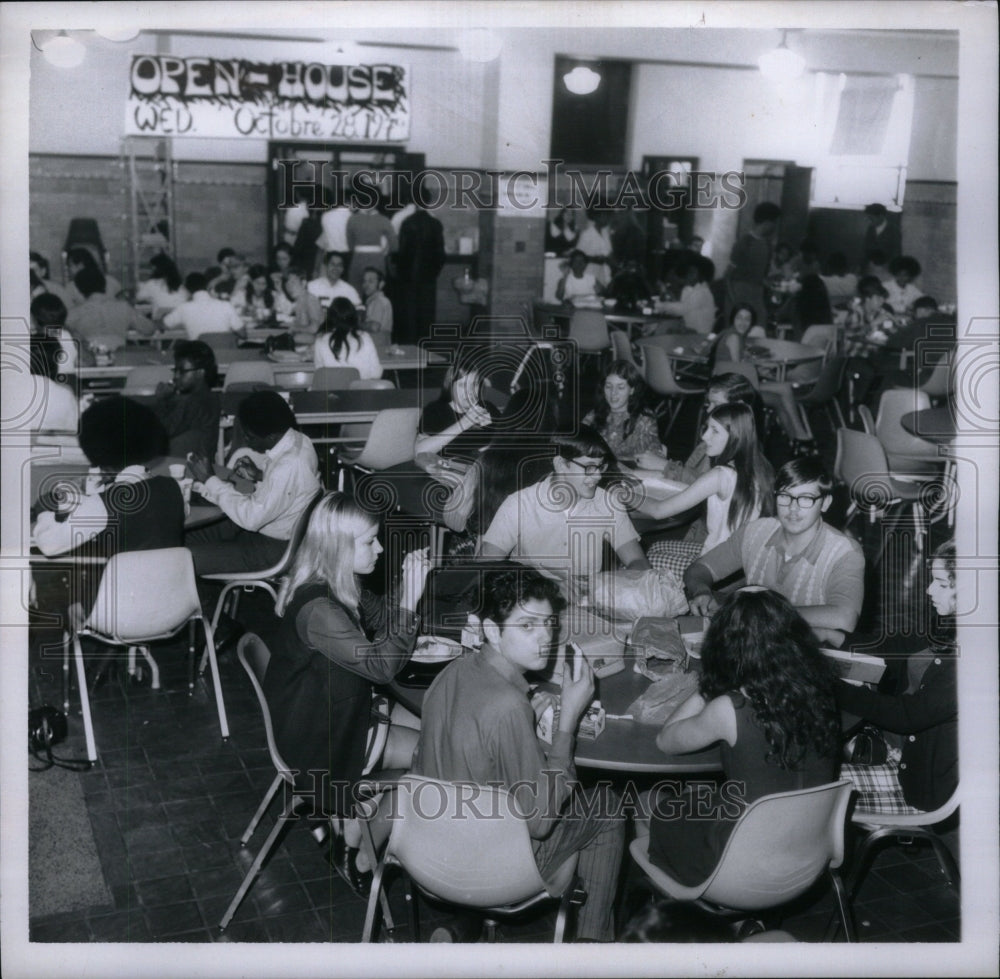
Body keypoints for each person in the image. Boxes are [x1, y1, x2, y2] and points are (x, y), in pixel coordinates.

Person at [410, 565, 625, 942]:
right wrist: (567, 723)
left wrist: (526, 707)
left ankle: (467, 922)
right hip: (493, 865)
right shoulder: (509, 707)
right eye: (527, 626)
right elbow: (540, 822)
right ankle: (592, 952)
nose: (545, 637)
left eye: (548, 622)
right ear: (492, 631)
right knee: (607, 805)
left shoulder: (451, 672)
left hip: (430, 847)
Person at [263, 492, 431, 894]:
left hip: (330, 709)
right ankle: (361, 851)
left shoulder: (338, 582)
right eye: (369, 541)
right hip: (321, 734)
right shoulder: (319, 610)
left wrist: (407, 597)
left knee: (435, 724)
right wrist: (410, 599)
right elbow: (379, 665)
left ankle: (351, 820)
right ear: (339, 548)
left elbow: (382, 621)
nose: (380, 547)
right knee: (438, 759)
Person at [642, 588, 840, 887]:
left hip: (736, 866)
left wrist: (709, 683)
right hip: (808, 854)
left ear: (726, 645)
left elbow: (665, 741)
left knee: (647, 800)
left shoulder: (730, 708)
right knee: (704, 797)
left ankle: (672, 911)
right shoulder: (822, 691)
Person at [684, 457, 864, 647]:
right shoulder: (755, 532)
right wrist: (701, 591)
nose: (793, 508)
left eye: (805, 499)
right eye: (785, 496)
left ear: (825, 503)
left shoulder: (845, 551)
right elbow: (699, 568)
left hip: (806, 652)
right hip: (753, 644)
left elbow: (845, 617)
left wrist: (759, 614)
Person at [838, 540, 957, 815]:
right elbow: (895, 647)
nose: (929, 590)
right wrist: (834, 637)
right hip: (900, 750)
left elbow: (907, 716)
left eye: (940, 583)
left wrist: (835, 688)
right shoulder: (950, 631)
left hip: (918, 783)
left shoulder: (972, 663)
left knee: (814, 783)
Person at [33, 397, 183, 611]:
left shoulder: (103, 504)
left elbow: (48, 545)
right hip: (172, 604)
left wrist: (45, 511)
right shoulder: (171, 487)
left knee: (47, 573)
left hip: (118, 610)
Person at [480, 428, 651, 591]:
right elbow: (483, 567)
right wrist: (549, 585)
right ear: (561, 464)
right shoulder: (519, 504)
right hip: (532, 608)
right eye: (589, 468)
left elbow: (639, 563)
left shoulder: (608, 503)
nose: (598, 476)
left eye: (601, 467)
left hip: (588, 607)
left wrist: (605, 582)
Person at [186, 390, 321, 574]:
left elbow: (251, 519)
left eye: (249, 436)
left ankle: (208, 599)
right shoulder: (300, 441)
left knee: (184, 559)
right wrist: (260, 475)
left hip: (271, 548)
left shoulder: (288, 465)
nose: (246, 441)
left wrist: (209, 479)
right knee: (187, 536)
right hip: (272, 531)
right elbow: (294, 485)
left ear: (272, 436)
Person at [644, 402, 775, 577]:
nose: (705, 436)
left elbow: (659, 511)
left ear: (735, 436)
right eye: (707, 428)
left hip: (719, 567)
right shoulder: (761, 467)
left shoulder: (720, 475)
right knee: (656, 546)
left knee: (649, 558)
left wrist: (622, 494)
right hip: (743, 563)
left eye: (714, 430)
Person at [712, 303, 814, 446]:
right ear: (733, 318)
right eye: (739, 318)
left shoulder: (734, 335)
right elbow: (738, 367)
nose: (743, 322)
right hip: (733, 387)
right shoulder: (734, 337)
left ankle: (796, 440)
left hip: (736, 384)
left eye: (747, 319)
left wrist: (760, 370)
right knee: (784, 390)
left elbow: (742, 365)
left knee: (781, 396)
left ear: (751, 322)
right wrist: (759, 370)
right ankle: (801, 437)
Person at [415, 357, 498, 462]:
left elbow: (506, 440)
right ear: (450, 386)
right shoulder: (435, 411)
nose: (469, 392)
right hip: (446, 471)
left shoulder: (489, 408)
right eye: (462, 385)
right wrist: (464, 423)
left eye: (474, 384)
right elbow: (419, 452)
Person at [150, 340, 222, 460]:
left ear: (200, 372)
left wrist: (161, 400)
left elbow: (158, 431)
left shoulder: (191, 402)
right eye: (175, 370)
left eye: (182, 371)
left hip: (180, 468)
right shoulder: (210, 397)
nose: (176, 376)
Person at [583, 360, 663, 461]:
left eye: (620, 387)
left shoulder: (644, 419)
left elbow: (655, 459)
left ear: (632, 390)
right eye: (608, 386)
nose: (613, 393)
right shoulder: (595, 414)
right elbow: (579, 445)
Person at [392, 204, 445, 346]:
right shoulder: (435, 223)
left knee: (409, 315)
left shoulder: (407, 222)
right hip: (428, 276)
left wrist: (399, 273)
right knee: (426, 315)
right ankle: (426, 348)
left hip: (408, 276)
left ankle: (409, 348)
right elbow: (440, 254)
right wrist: (434, 273)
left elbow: (401, 252)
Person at [66, 266, 155, 349]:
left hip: (89, 359)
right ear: (104, 285)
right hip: (120, 358)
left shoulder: (74, 313)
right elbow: (149, 329)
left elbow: (61, 334)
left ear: (79, 289)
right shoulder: (123, 307)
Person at [723, 201, 781, 326]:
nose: (776, 227)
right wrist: (734, 301)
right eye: (775, 223)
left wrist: (771, 286)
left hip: (757, 296)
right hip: (739, 294)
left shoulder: (768, 245)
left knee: (758, 329)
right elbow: (728, 276)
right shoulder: (744, 242)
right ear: (768, 222)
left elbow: (760, 276)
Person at [312, 297, 383, 379]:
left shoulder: (321, 340)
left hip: (333, 391)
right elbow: (376, 373)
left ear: (330, 317)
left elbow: (319, 373)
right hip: (361, 390)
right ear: (354, 316)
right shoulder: (364, 337)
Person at [163, 272, 245, 341]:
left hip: (200, 356)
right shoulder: (226, 305)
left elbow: (164, 325)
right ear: (206, 287)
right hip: (227, 355)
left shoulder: (183, 308)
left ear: (187, 290)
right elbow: (243, 334)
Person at [346, 193, 397, 295]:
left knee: (355, 291)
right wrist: (384, 252)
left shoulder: (352, 219)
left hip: (358, 258)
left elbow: (350, 244)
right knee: (376, 290)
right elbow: (394, 245)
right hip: (377, 258)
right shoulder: (384, 220)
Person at [657, 255, 716, 335]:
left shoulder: (703, 292)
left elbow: (682, 309)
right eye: (689, 272)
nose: (689, 275)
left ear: (702, 276)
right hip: (689, 331)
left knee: (662, 328)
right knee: (661, 326)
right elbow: (680, 305)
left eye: (693, 273)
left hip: (700, 335)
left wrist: (658, 305)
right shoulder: (688, 289)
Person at [136, 254, 189, 320]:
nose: (149, 272)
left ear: (156, 269)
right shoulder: (182, 286)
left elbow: (138, 297)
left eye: (151, 268)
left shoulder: (152, 284)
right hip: (180, 323)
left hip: (161, 323)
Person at [277, 268, 325, 335]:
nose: (290, 288)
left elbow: (315, 328)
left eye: (293, 283)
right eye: (287, 285)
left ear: (303, 283)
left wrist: (294, 329)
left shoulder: (310, 299)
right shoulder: (300, 301)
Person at [360, 266, 393, 349]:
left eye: (370, 281)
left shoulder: (379, 301)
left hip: (377, 348)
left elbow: (374, 327)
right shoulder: (373, 301)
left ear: (381, 284)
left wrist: (356, 324)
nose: (366, 285)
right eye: (364, 281)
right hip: (378, 348)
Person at [862, 203, 901, 268]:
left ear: (881, 216)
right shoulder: (870, 229)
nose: (869, 221)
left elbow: (896, 252)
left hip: (887, 267)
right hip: (871, 266)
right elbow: (866, 248)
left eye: (871, 218)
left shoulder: (894, 230)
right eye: (868, 218)